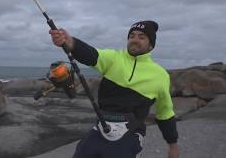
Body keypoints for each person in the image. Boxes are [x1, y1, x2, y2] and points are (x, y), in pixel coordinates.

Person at [49, 20, 179, 158]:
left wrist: (173, 146)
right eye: (132, 36)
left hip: (130, 134)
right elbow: (91, 54)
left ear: (151, 45)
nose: (135, 40)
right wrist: (69, 41)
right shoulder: (114, 59)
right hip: (100, 129)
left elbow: (165, 113)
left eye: (142, 37)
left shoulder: (160, 75)